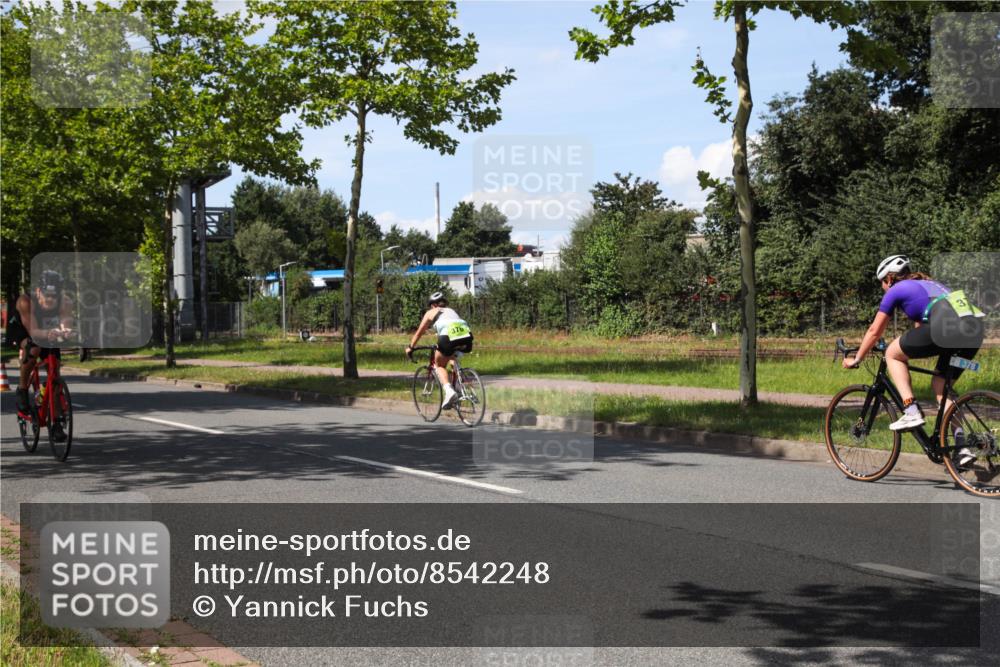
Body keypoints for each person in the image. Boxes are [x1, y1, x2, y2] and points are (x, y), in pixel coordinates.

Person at [843, 255, 984, 464]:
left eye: (882, 282)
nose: (883, 287)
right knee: (940, 384)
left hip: (946, 328)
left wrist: (857, 358)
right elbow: (922, 329)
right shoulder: (931, 285)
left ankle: (911, 410)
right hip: (974, 330)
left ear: (889, 279)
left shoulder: (897, 290)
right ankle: (962, 447)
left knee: (891, 353)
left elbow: (874, 331)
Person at [6, 270, 75, 442]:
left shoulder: (65, 301)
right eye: (47, 295)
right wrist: (50, 332)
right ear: (38, 291)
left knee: (55, 371)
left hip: (48, 330)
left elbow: (65, 322)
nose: (50, 299)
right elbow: (34, 332)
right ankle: (22, 389)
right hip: (24, 329)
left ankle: (57, 423)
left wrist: (67, 331)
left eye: (54, 295)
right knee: (34, 349)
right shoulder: (25, 302)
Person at [406, 291, 473, 408]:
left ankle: (449, 391)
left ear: (433, 305)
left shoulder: (431, 312)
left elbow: (419, 332)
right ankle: (459, 387)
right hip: (467, 337)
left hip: (448, 338)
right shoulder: (451, 310)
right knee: (452, 359)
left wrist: (410, 347)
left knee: (439, 365)